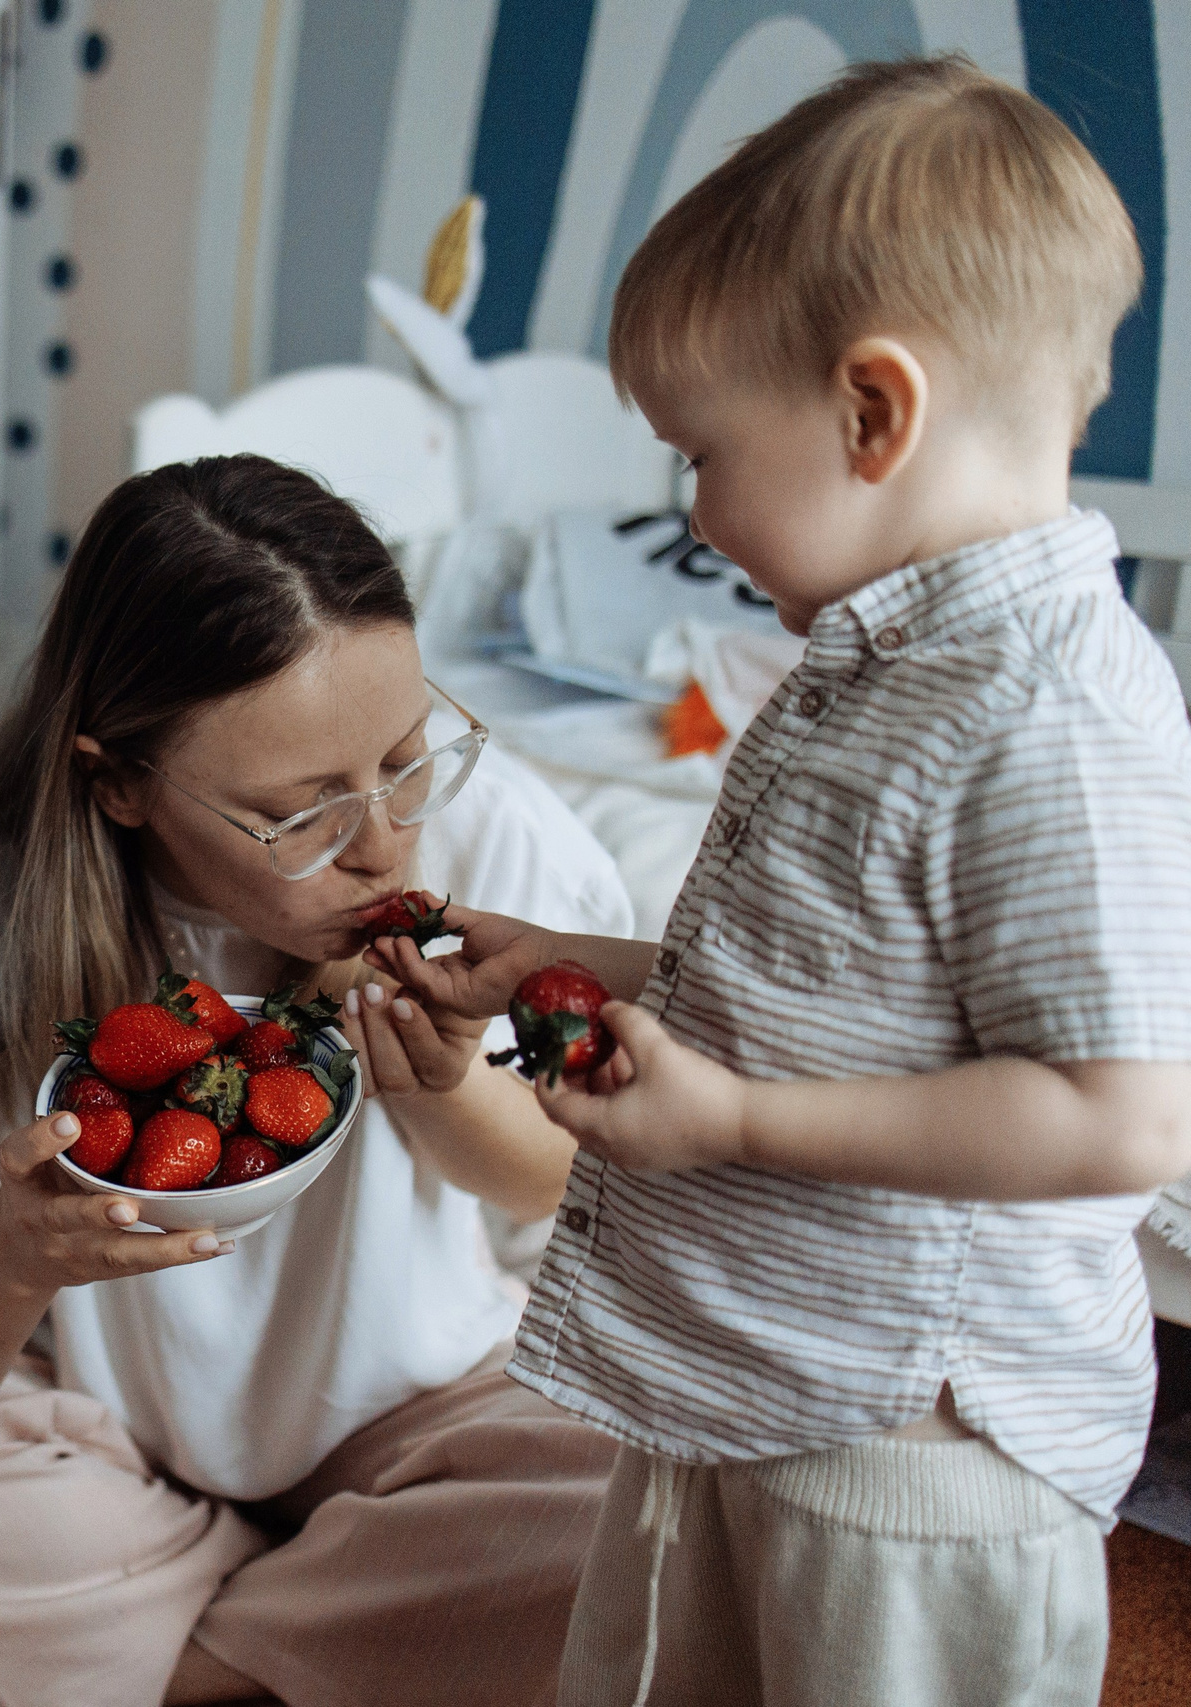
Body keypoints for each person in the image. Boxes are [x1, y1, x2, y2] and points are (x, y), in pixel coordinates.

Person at [382, 57, 1191, 1707]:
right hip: (751, 1370)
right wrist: (584, 956)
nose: (691, 503)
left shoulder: (1050, 705)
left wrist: (739, 1126)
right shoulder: (875, 652)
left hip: (909, 1443)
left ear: (872, 413)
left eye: (699, 455)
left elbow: (1119, 1118)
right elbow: (831, 987)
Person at [0, 455, 630, 1707]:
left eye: (406, 756)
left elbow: (558, 1183)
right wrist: (15, 1251)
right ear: (118, 785)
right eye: (299, 813)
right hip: (116, 1436)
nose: (383, 840)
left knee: (648, 1497)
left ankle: (184, 1667)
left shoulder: (501, 847)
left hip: (432, 1409)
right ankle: (342, 1633)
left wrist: (445, 1091)